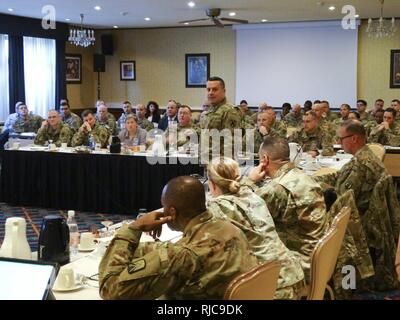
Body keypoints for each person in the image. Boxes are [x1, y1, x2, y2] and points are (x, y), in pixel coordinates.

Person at [98, 176, 258, 300]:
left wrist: (133, 229)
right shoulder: (229, 227)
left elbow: (110, 291)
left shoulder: (183, 255)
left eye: (164, 207)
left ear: (172, 212)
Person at [314, 120, 400, 291]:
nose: (338, 143)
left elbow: (340, 198)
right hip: (369, 221)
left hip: (359, 227)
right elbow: (340, 177)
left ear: (354, 139)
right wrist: (315, 180)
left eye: (341, 139)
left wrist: (316, 188)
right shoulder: (365, 157)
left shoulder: (360, 166)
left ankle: (346, 287)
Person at [207, 157, 305, 299]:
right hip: (293, 274)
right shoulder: (252, 195)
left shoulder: (217, 207)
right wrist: (250, 180)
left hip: (271, 288)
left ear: (212, 185)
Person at [244, 137, 328, 279]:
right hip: (318, 257)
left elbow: (243, 212)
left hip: (300, 265)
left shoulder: (277, 188)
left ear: (264, 159)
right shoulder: (302, 175)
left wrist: (249, 181)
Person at [199, 76, 242, 159]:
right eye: (208, 89)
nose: (211, 92)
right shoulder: (210, 111)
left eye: (215, 89)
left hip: (221, 164)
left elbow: (231, 143)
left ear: (224, 91)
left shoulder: (230, 110)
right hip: (208, 160)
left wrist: (222, 166)